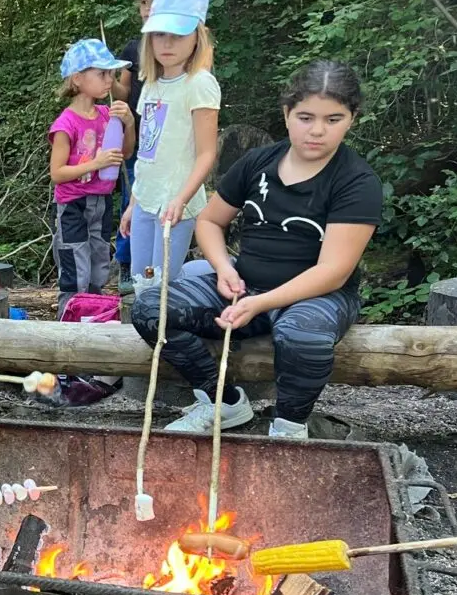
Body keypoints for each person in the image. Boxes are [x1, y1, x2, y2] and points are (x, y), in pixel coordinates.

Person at [131, 60, 383, 439]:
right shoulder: (258, 163)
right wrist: (225, 268)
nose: (317, 130)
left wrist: (262, 304)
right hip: (246, 284)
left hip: (320, 295)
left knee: (301, 335)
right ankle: (223, 403)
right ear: (286, 114)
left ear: (352, 118)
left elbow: (334, 270)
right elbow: (210, 222)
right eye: (305, 117)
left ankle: (288, 427)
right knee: (152, 309)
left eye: (333, 119)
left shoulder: (357, 181)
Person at [118, 0, 220, 292]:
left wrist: (181, 198)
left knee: (162, 286)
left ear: (196, 37)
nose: (167, 43)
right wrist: (134, 202)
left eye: (178, 35)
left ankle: (218, 272)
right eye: (159, 33)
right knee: (140, 283)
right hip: (147, 200)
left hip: (178, 204)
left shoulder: (199, 84)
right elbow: (147, 152)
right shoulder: (150, 84)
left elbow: (206, 153)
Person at [48, 38, 135, 317]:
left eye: (111, 73)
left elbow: (126, 151)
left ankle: (93, 319)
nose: (109, 80)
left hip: (102, 201)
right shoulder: (66, 123)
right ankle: (69, 322)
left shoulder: (106, 114)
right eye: (102, 74)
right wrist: (94, 164)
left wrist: (129, 123)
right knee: (76, 267)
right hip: (74, 205)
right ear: (77, 79)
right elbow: (57, 173)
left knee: (99, 262)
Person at [112, 0, 186, 294]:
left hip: (174, 171)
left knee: (164, 275)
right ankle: (125, 268)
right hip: (142, 146)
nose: (146, 7)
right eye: (143, 1)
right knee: (132, 204)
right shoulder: (134, 50)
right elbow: (124, 94)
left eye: (151, 1)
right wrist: (106, 77)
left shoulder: (190, 72)